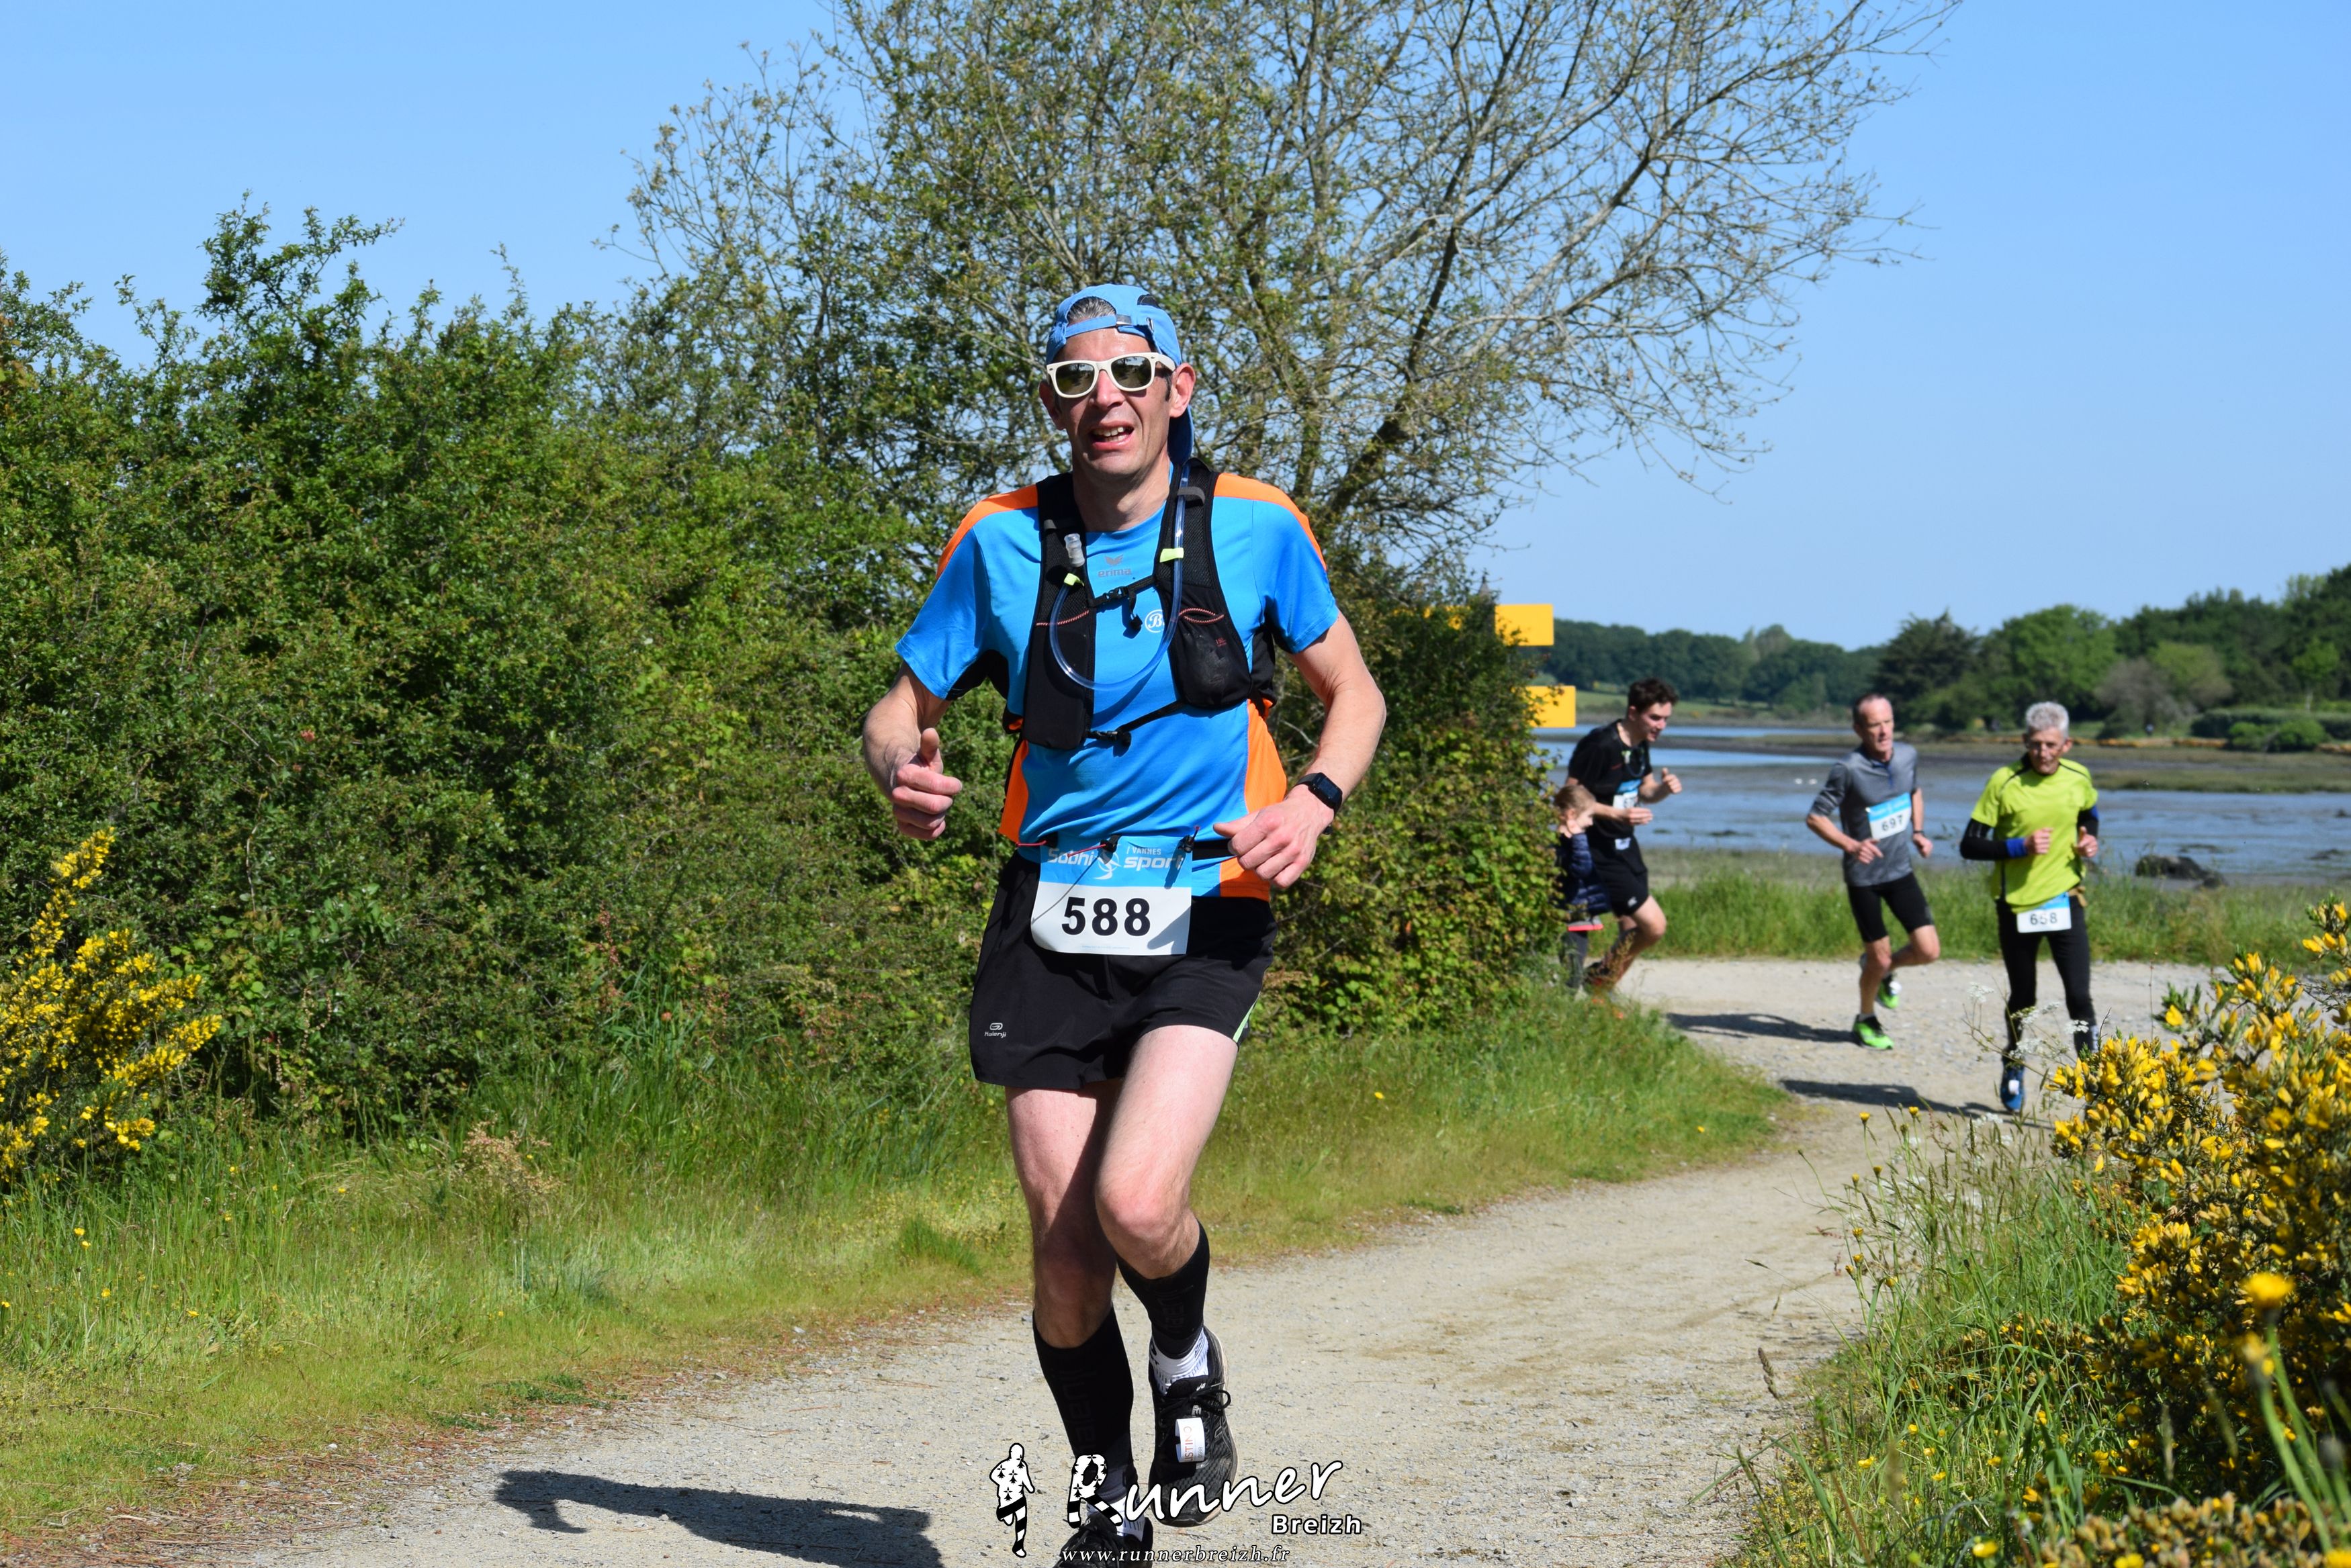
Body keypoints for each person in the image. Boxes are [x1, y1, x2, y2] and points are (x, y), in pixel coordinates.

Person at [861, 285, 1386, 1567]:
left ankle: (1187, 1358)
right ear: (1051, 404)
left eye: (1131, 373)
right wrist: (900, 770)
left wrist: (1314, 802)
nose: (1105, 398)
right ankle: (1106, 1494)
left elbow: (1356, 695)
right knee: (1063, 1255)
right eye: (1074, 380)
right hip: (1051, 917)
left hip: (1209, 904)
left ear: (1178, 389)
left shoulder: (1255, 526)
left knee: (1138, 1204)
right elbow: (896, 710)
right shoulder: (999, 539)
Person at [1959, 700, 2100, 1113]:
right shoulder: (2004, 782)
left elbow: (2089, 815)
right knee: (2024, 996)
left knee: (2079, 995)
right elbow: (1969, 845)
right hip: (2017, 905)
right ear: (2025, 741)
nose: (2043, 752)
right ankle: (2014, 1063)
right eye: (2036, 744)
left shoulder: (2079, 777)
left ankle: (2093, 1082)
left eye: (2051, 745)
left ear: (2066, 745)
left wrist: (2088, 840)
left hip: (2066, 899)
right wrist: (2017, 847)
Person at [1804, 694, 1941, 1050]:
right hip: (1864, 878)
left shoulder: (1908, 756)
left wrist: (1919, 832)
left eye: (1888, 722)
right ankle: (1865, 1018)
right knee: (1878, 956)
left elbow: (1914, 792)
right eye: (1874, 725)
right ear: (1858, 729)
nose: (1883, 731)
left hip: (1900, 870)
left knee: (1928, 951)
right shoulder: (1848, 769)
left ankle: (1881, 969)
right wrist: (1852, 845)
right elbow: (1815, 817)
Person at [1565, 678, 1683, 993]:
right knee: (1653, 927)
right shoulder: (1600, 745)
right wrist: (1617, 814)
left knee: (1632, 927)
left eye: (1666, 719)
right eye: (1655, 718)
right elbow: (1568, 797)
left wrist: (1663, 790)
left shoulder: (1641, 742)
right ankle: (1596, 979)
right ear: (1633, 712)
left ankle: (1600, 991)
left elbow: (1645, 790)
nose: (1661, 726)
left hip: (1626, 845)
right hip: (1596, 848)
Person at [1552, 781, 1607, 989]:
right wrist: (1579, 838)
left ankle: (1565, 998)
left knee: (1573, 967)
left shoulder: (1568, 843)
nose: (1592, 823)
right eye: (1589, 816)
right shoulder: (1567, 844)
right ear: (1572, 815)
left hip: (1578, 915)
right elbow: (1581, 869)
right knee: (1572, 972)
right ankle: (1564, 1002)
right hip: (1571, 916)